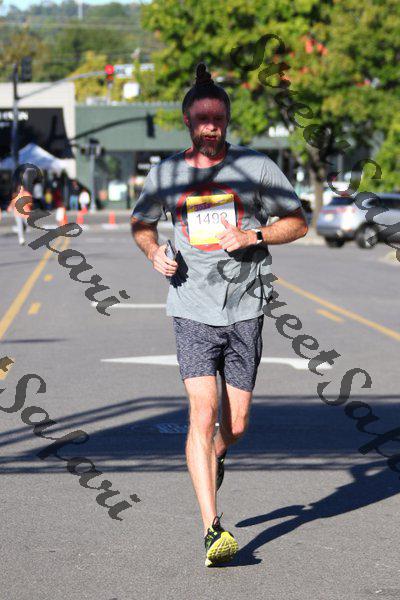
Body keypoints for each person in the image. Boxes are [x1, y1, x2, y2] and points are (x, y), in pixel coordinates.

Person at [130, 63, 308, 567]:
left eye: (219, 119)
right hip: (190, 305)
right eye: (202, 119)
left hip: (246, 305)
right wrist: (153, 252)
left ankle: (217, 455)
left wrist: (254, 234)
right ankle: (212, 529)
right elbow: (142, 224)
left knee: (237, 423)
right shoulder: (166, 174)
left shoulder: (256, 168)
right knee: (201, 412)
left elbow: (298, 222)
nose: (211, 127)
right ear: (187, 121)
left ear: (227, 120)